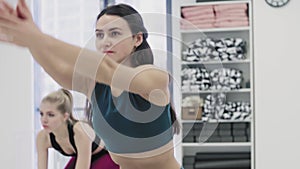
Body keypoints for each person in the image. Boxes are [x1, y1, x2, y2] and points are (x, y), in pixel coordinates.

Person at [0, 1, 183, 169]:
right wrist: (31, 40)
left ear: (137, 39)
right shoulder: (96, 85)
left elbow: (107, 69)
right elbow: (60, 71)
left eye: (115, 33)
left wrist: (37, 37)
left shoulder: (154, 78)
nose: (105, 42)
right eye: (99, 35)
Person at [37, 88, 119, 169]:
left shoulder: (80, 131)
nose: (44, 120)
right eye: (41, 114)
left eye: (50, 115)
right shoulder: (42, 137)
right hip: (84, 155)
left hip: (107, 155)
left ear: (65, 116)